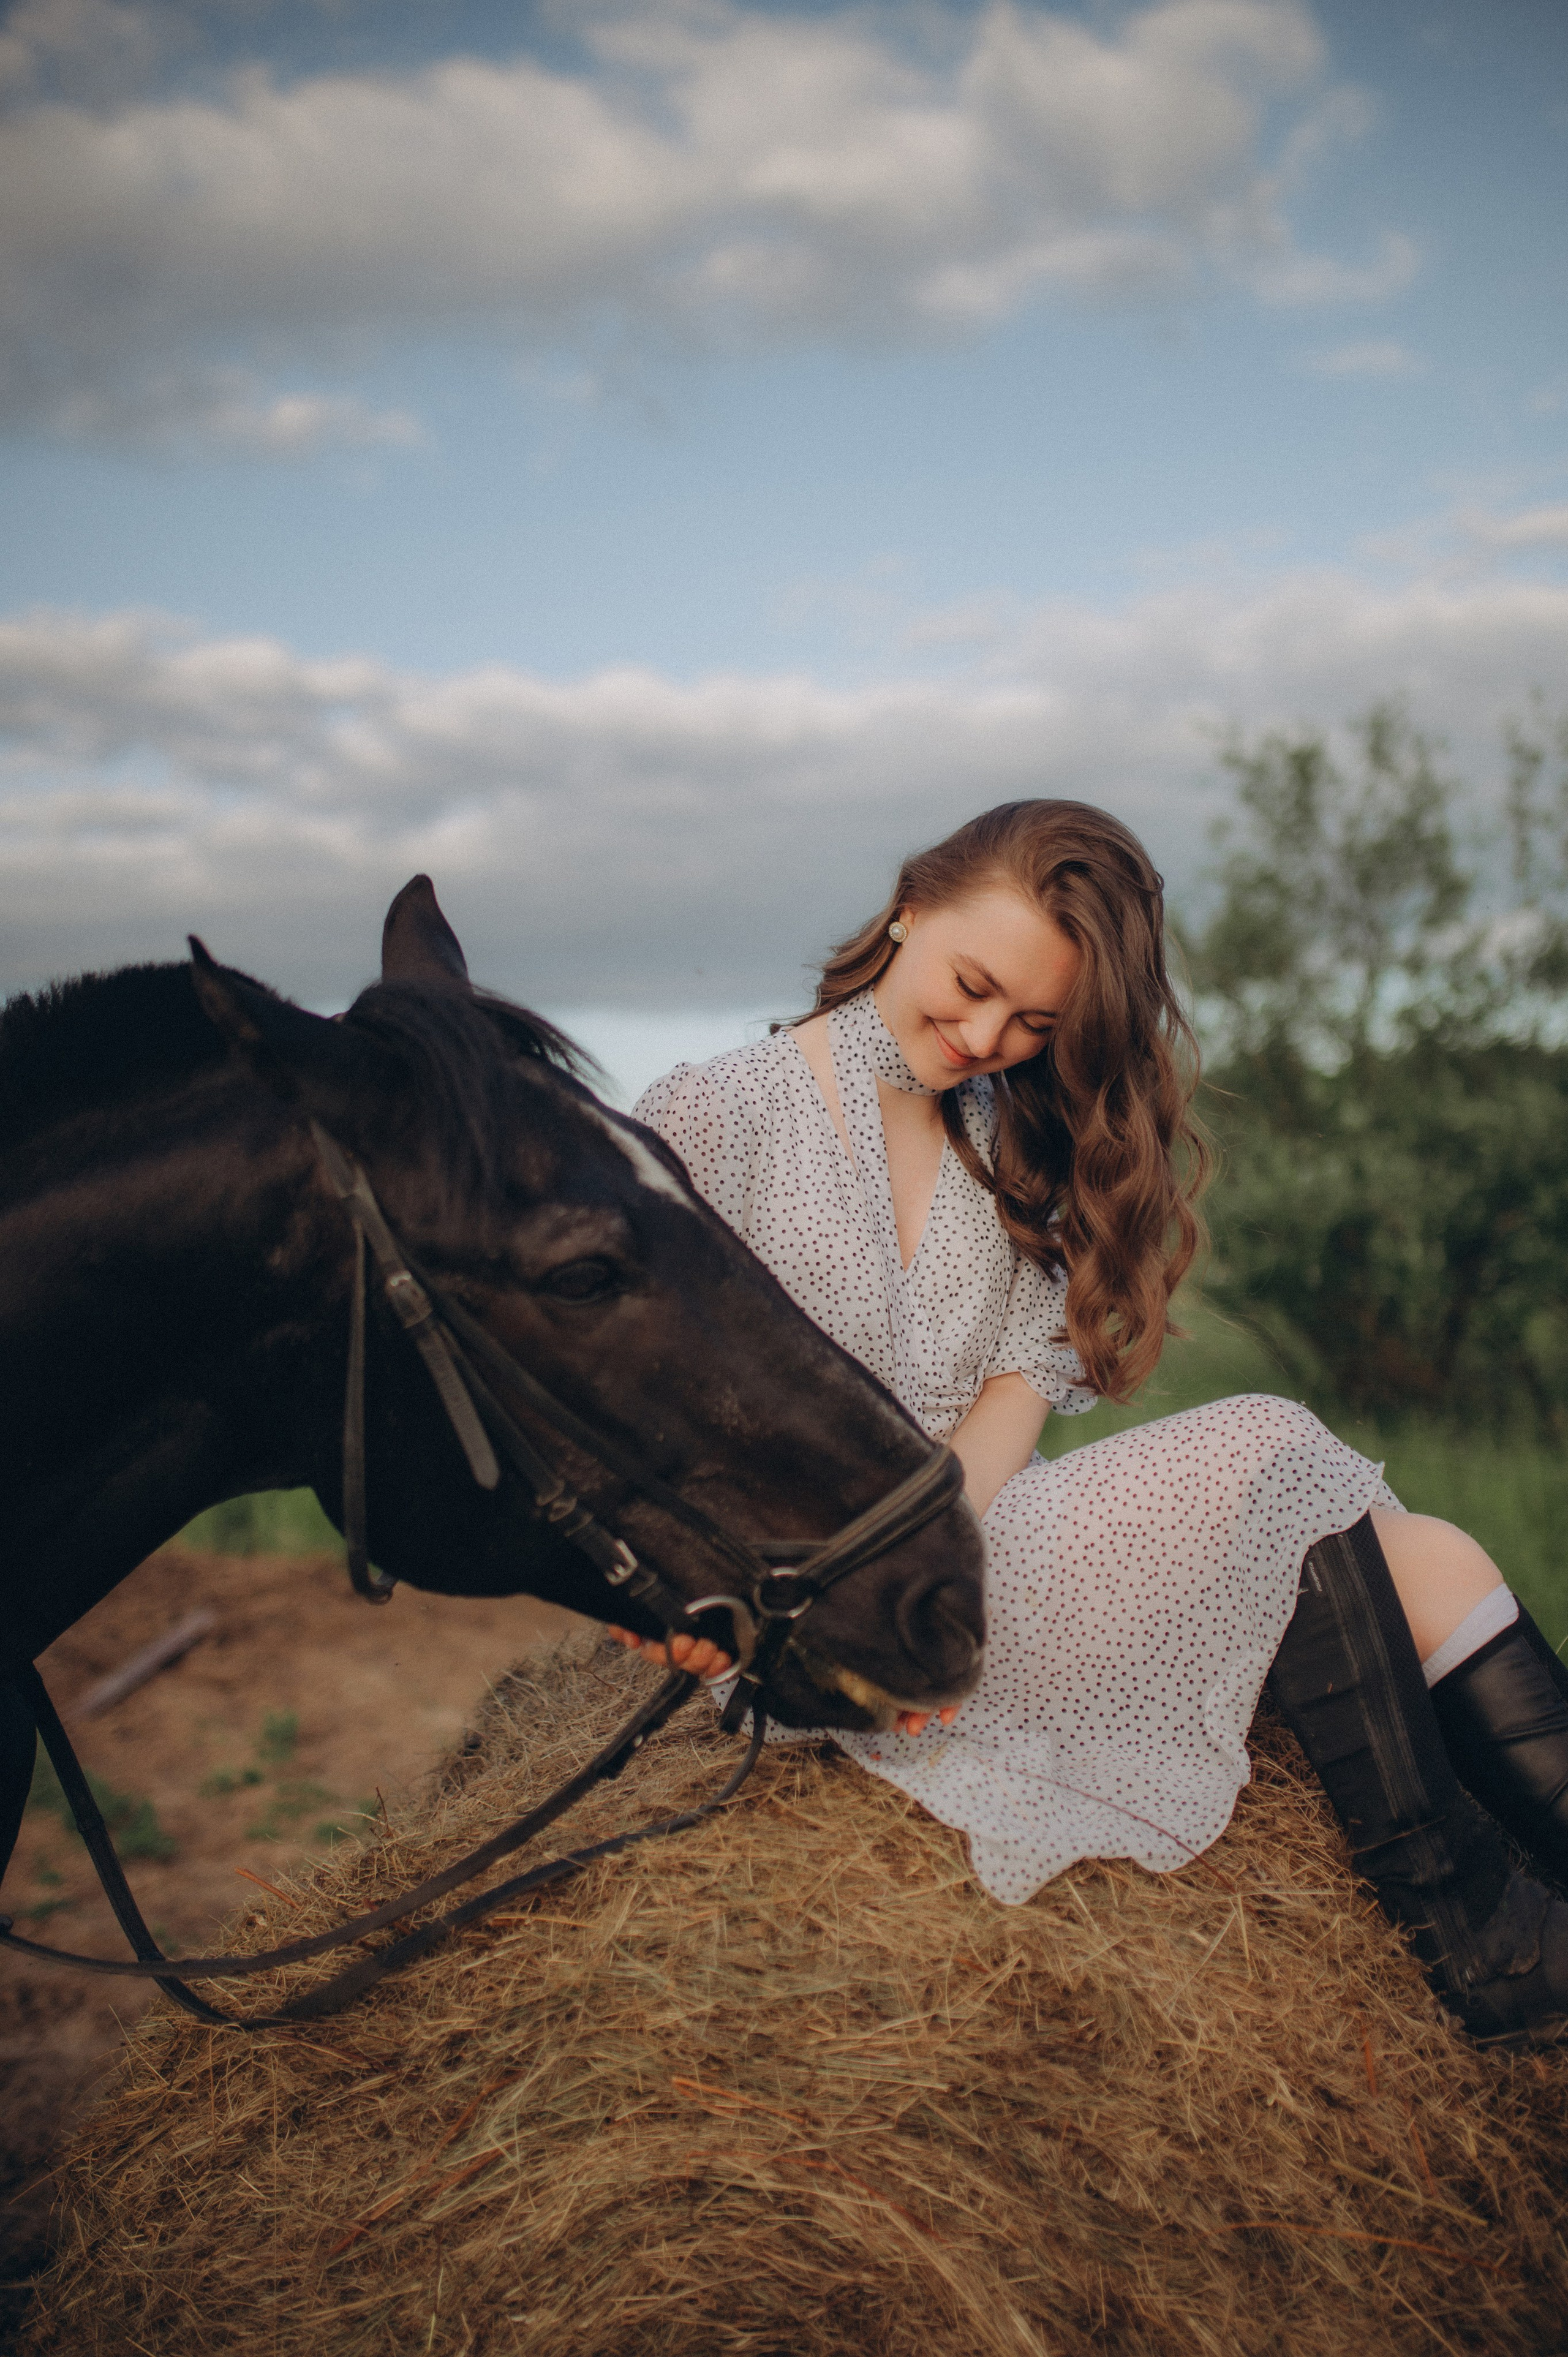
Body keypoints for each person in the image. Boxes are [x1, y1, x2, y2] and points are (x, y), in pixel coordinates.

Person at [611, 800, 1568, 2043]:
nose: (982, 1036)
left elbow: (1005, 1415)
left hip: (960, 1552)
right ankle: (1484, 1948)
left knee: (1425, 1557)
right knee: (1278, 1450)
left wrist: (928, 1581)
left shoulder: (1002, 1146)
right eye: (969, 986)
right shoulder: (711, 1114)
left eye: (1031, 1024)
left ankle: (1492, 1939)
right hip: (801, 1599)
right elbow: (627, 1405)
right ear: (908, 906)